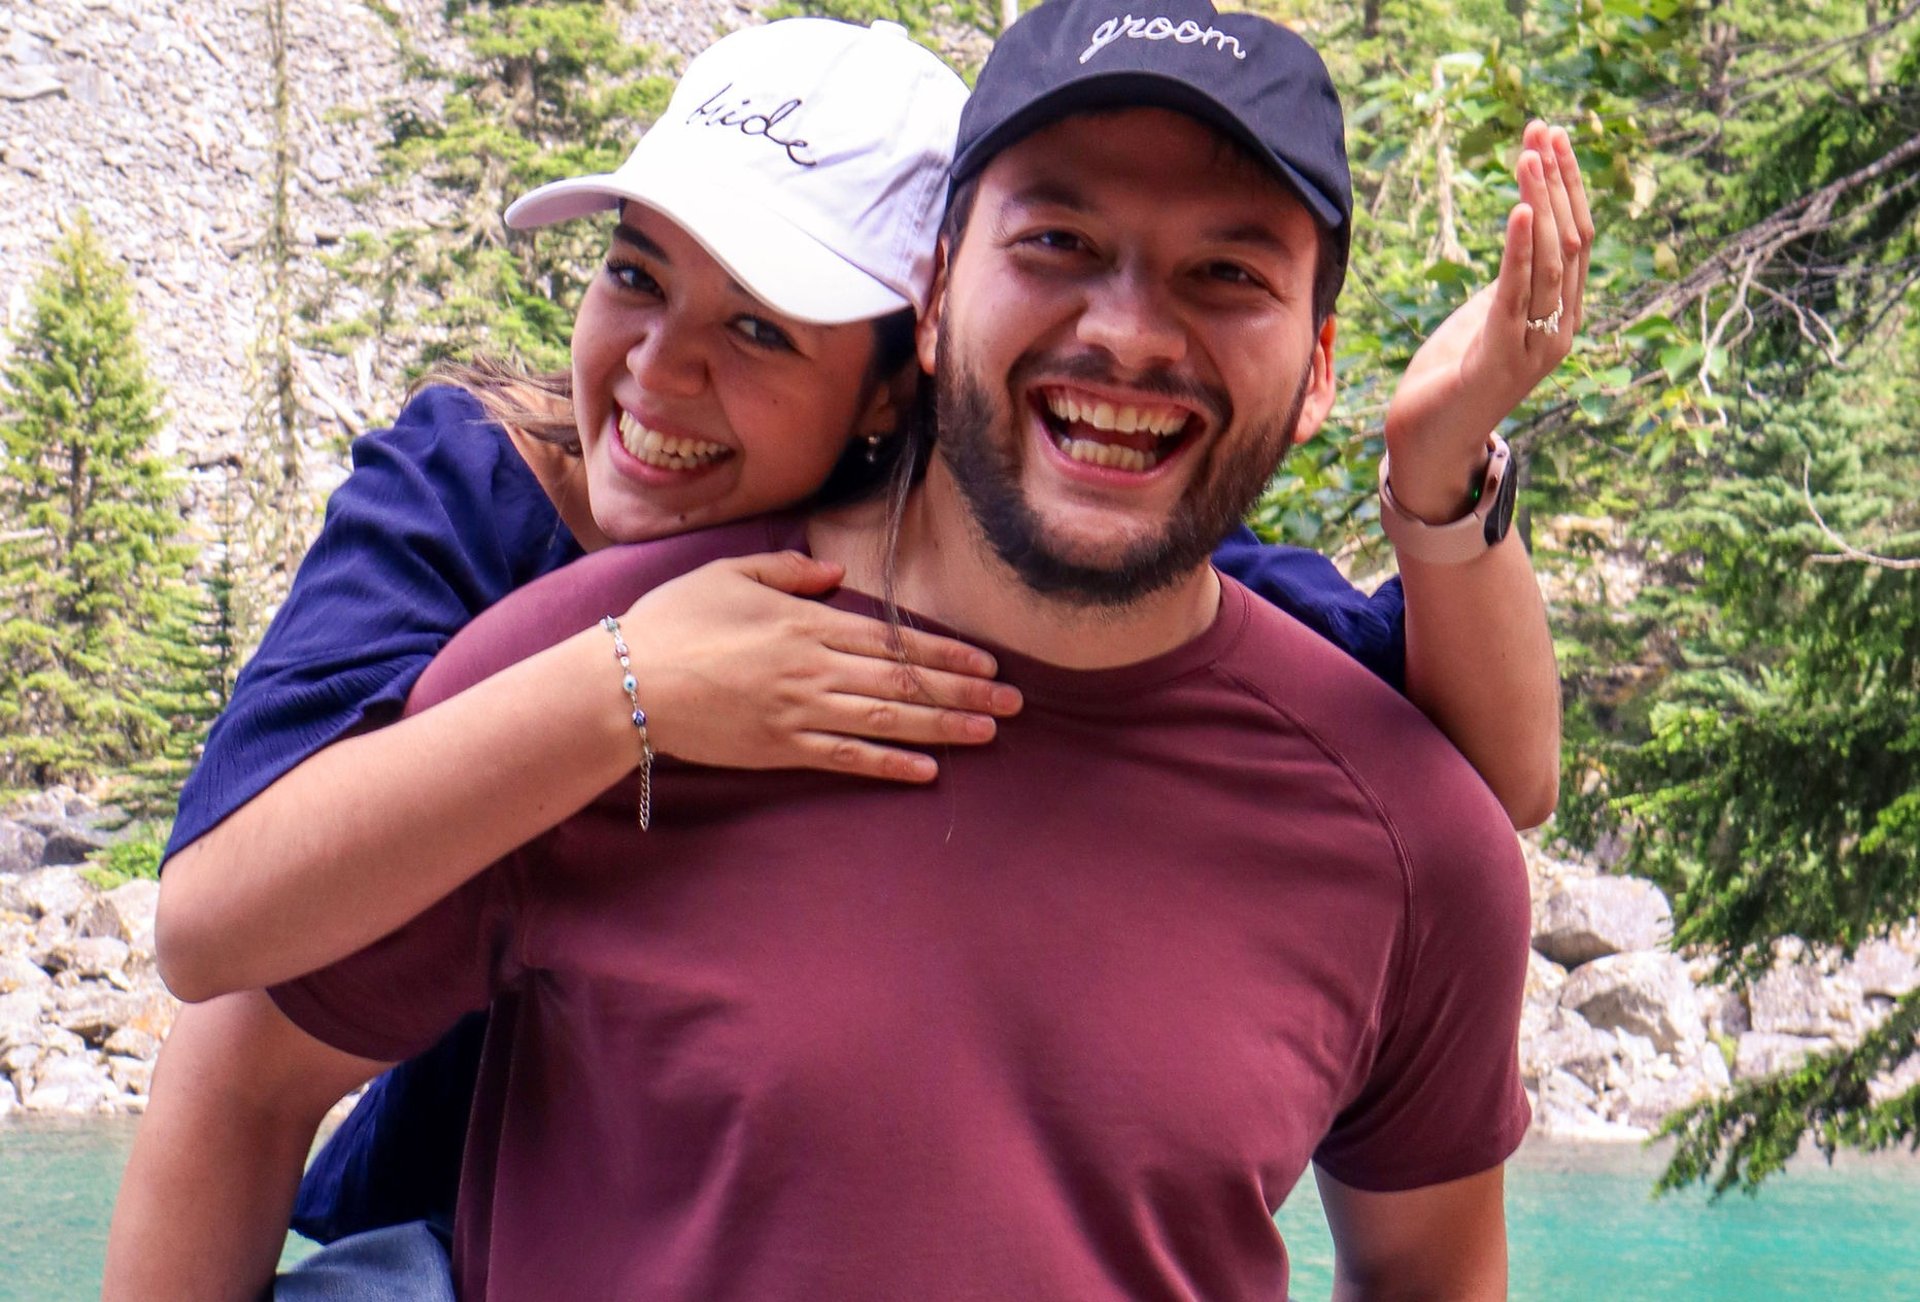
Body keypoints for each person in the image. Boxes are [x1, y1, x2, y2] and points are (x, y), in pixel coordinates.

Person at [107, 0, 1586, 1295]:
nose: (1129, 333)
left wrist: (1442, 471)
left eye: (1226, 276)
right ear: (942, 305)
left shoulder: (1344, 758)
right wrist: (625, 686)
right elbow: (226, 993)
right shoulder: (519, 563)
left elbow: (1485, 785)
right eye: (1059, 241)